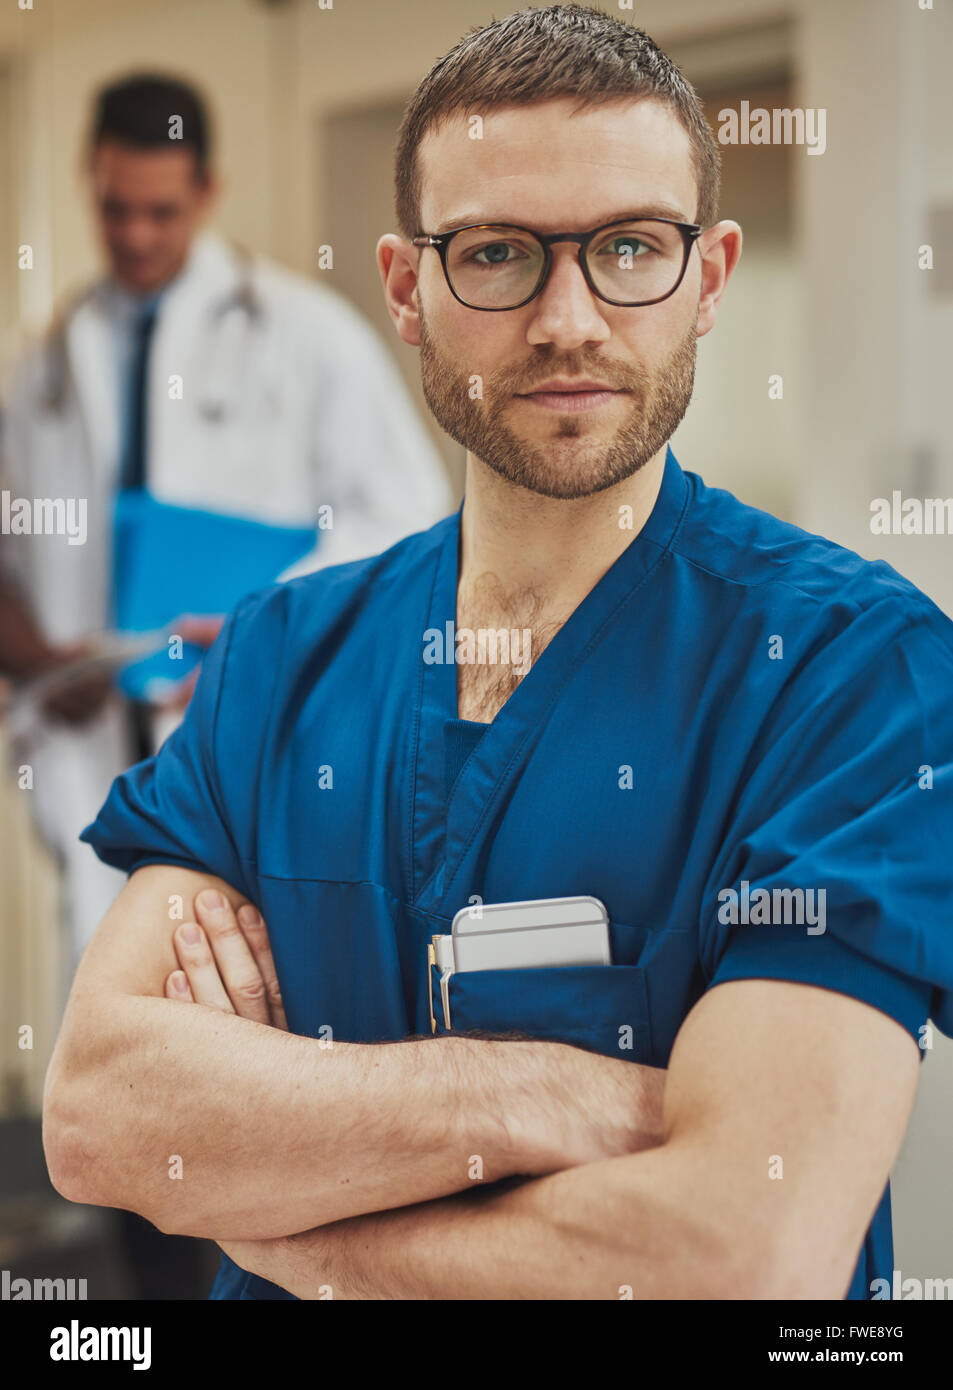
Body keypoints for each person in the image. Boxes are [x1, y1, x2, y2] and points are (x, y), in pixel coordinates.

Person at [43, 7, 952, 1301]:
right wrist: (541, 1089)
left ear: (709, 276)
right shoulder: (282, 653)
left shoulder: (856, 676)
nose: (567, 318)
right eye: (499, 254)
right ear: (408, 288)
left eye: (631, 246)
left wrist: (291, 1230)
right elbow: (101, 1117)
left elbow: (743, 1247)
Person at [0, 73, 450, 967]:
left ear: (206, 192)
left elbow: (410, 522)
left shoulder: (306, 335)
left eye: (159, 213)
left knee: (238, 1004)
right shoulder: (41, 368)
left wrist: (260, 627)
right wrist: (43, 660)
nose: (134, 235)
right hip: (88, 738)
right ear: (91, 180)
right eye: (115, 209)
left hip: (250, 733)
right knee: (99, 1011)